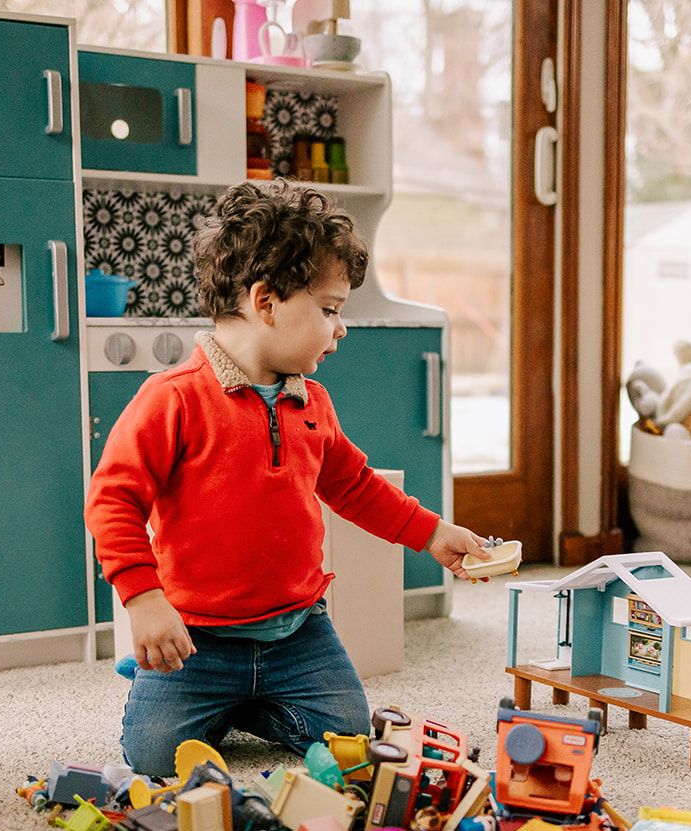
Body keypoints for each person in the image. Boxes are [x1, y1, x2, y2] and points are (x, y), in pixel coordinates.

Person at [85, 179, 493, 777]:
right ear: (266, 301)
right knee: (152, 758)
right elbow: (113, 500)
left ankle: (247, 707)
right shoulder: (172, 399)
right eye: (329, 310)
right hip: (198, 636)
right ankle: (205, 694)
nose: (341, 328)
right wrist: (144, 601)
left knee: (352, 735)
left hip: (299, 630)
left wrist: (432, 534)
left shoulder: (313, 403)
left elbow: (356, 486)